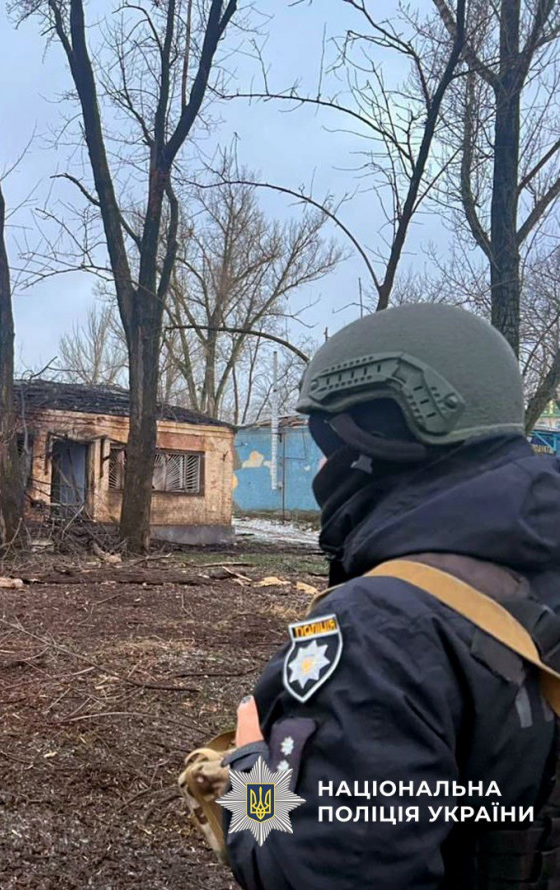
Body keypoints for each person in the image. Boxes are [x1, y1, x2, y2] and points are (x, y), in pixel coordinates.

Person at [223, 303, 560, 889]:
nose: (321, 464)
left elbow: (316, 875)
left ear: (375, 431)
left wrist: (251, 778)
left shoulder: (380, 625)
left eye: (327, 439)